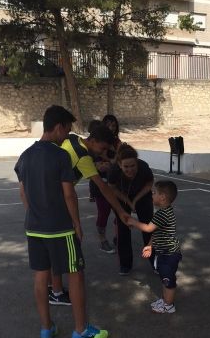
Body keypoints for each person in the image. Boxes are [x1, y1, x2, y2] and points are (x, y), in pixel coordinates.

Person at [14, 105, 108, 338]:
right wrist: (76, 223)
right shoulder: (60, 156)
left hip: (34, 227)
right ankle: (80, 330)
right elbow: (69, 195)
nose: (67, 135)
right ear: (57, 128)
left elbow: (22, 191)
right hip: (60, 228)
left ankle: (46, 329)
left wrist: (34, 214)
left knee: (40, 276)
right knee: (76, 275)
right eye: (66, 130)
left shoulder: (25, 155)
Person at [48, 119, 130, 304]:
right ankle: (58, 293)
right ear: (92, 140)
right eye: (101, 148)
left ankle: (51, 286)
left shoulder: (72, 139)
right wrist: (120, 211)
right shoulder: (84, 156)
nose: (102, 153)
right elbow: (103, 187)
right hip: (58, 204)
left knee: (50, 248)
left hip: (44, 201)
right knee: (67, 252)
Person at [128, 180, 181, 314]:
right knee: (164, 278)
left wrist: (132, 221)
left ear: (162, 197)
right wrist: (150, 246)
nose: (152, 195)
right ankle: (165, 300)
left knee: (168, 280)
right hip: (165, 252)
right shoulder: (165, 211)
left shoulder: (162, 214)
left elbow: (147, 228)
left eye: (154, 193)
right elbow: (156, 232)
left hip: (168, 254)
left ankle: (168, 306)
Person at [108, 144, 154, 275]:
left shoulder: (143, 167)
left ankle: (155, 260)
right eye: (126, 167)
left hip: (142, 195)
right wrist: (128, 201)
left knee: (148, 227)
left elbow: (149, 183)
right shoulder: (113, 171)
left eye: (133, 166)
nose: (130, 170)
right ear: (119, 164)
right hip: (122, 196)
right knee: (123, 229)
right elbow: (112, 188)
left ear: (137, 162)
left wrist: (135, 200)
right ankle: (125, 264)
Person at [90, 115, 122, 253]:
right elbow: (95, 165)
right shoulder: (96, 144)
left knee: (119, 212)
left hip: (116, 183)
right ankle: (103, 241)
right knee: (103, 213)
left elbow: (121, 162)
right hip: (100, 183)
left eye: (114, 125)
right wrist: (106, 163)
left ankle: (118, 237)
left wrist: (110, 161)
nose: (112, 128)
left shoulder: (117, 143)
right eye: (109, 125)